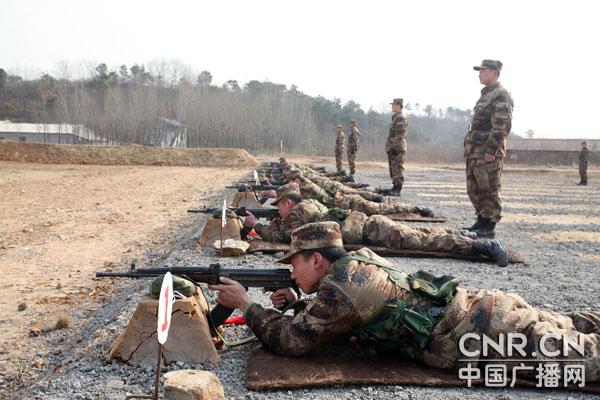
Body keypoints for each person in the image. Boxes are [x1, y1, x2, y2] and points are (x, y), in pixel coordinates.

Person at [210, 222, 600, 382]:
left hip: (477, 334)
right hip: (482, 309)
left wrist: (247, 305)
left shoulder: (343, 287)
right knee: (578, 323)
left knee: (588, 360)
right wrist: (298, 302)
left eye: (294, 264)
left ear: (316, 259)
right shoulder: (355, 265)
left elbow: (292, 342)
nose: (291, 273)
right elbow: (348, 315)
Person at [250, 183, 509, 266]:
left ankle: (481, 245)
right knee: (420, 234)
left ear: (287, 202)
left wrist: (256, 225)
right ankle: (463, 235)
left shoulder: (297, 213)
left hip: (368, 230)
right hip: (367, 224)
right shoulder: (307, 206)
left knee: (421, 240)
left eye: (279, 206)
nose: (279, 211)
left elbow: (283, 236)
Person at [464, 60, 514, 238]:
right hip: (475, 150)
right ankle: (481, 220)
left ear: (494, 73)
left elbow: (501, 126)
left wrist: (491, 151)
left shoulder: (500, 94)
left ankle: (489, 224)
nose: (479, 74)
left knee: (489, 188)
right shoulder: (486, 95)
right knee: (475, 188)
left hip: (487, 151)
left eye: (483, 71)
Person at [382, 98, 408, 196]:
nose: (392, 107)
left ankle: (398, 189)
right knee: (393, 167)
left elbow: (399, 135)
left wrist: (394, 147)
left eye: (393, 105)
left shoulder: (400, 117)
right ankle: (395, 186)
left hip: (397, 147)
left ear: (398, 105)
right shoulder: (396, 117)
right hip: (393, 146)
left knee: (398, 167)